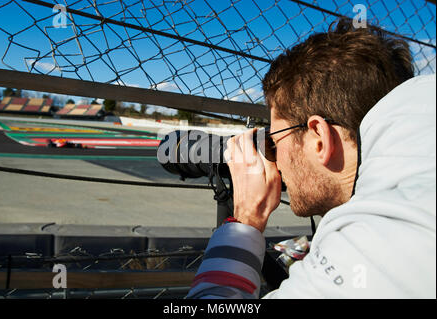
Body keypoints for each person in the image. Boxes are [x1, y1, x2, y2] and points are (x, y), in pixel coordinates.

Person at [186, 18, 436, 298]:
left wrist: (245, 221)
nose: (275, 159)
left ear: (319, 138)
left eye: (275, 141)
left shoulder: (371, 248)